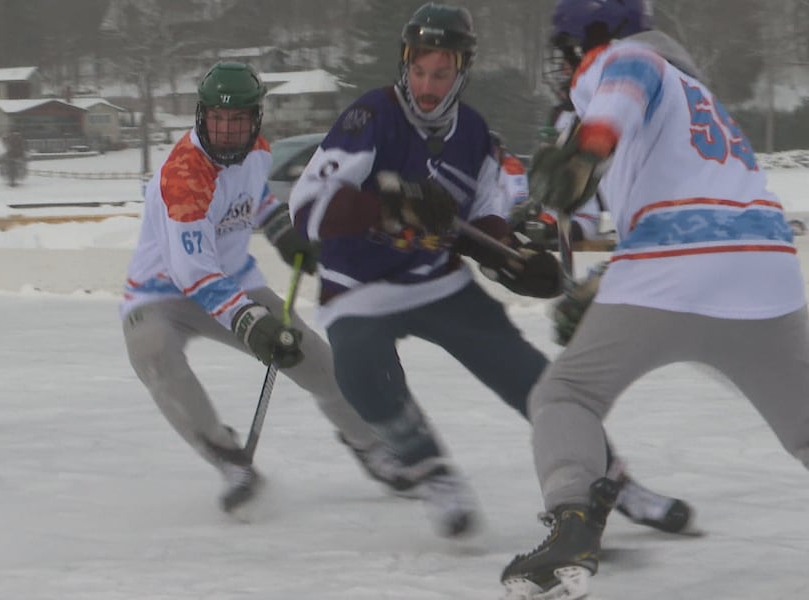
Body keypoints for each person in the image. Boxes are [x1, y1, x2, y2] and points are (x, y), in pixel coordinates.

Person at [288, 2, 692, 539]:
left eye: (442, 72)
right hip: (358, 288)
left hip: (438, 283)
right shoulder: (371, 115)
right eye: (419, 70)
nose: (428, 85)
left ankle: (615, 480)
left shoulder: (474, 133)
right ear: (404, 64)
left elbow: (482, 225)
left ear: (462, 71)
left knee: (535, 381)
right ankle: (432, 472)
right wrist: (389, 207)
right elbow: (308, 204)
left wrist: (512, 262)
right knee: (360, 373)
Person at [499, 1, 809, 598]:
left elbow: (623, 87)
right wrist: (582, 258)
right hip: (765, 264)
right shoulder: (695, 94)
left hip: (673, 267)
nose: (564, 67)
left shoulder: (628, 59)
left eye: (566, 52)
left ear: (587, 41)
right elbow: (596, 213)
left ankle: (571, 526)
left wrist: (589, 143)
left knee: (567, 394)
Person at [121, 61, 408, 514]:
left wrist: (282, 233)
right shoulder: (184, 178)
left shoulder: (257, 151)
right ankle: (228, 457)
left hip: (236, 284)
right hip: (160, 295)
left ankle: (371, 446)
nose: (228, 130)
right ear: (202, 116)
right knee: (152, 351)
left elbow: (255, 199)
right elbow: (194, 274)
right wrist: (252, 323)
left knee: (314, 361)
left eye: (239, 120)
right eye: (219, 118)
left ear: (255, 120)